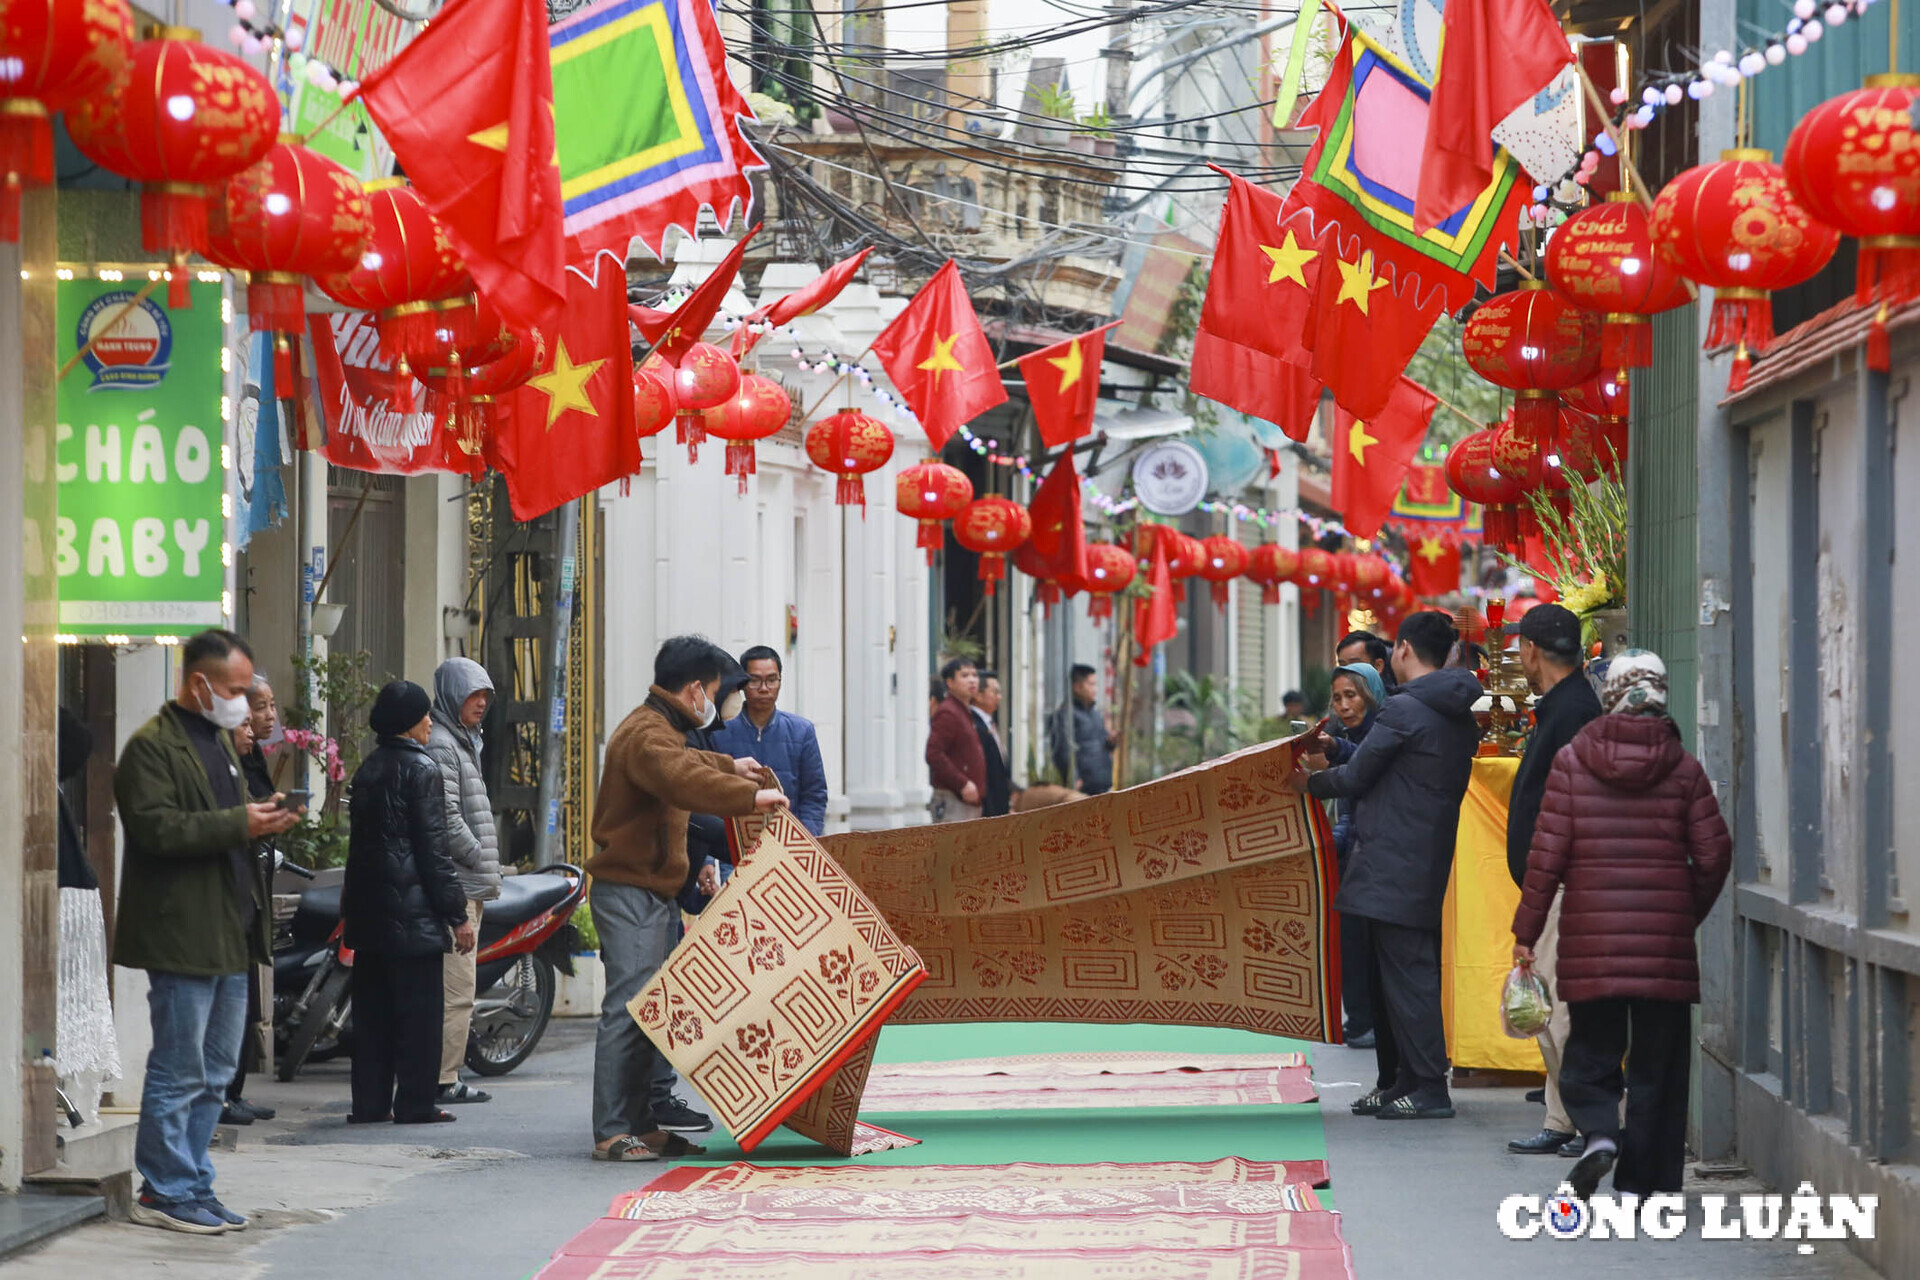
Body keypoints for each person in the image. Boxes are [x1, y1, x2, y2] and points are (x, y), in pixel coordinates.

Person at [1511, 650, 1731, 1200]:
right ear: (1659, 694)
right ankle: (1647, 1188)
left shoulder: (1572, 761)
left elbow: (1546, 857)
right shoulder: (1683, 766)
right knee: (1660, 1069)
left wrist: (1526, 933)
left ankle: (1602, 1135)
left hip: (1592, 945)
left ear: (1610, 695)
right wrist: (1684, 916)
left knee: (1589, 1055)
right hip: (1664, 951)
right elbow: (1713, 854)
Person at [114, 628, 301, 1233]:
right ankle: (163, 1190)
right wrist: (237, 824)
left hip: (230, 927)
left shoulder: (221, 742)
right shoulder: (151, 748)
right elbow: (156, 830)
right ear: (199, 683)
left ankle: (194, 1181)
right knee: (179, 1065)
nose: (246, 703)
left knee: (218, 1070)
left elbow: (226, 822)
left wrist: (263, 819)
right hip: (181, 930)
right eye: (236, 689)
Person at [588, 636, 784, 1162]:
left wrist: (731, 768)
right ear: (695, 689)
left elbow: (689, 763)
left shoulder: (662, 729)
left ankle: (645, 1124)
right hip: (629, 892)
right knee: (627, 1012)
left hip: (651, 892)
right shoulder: (647, 735)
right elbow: (678, 775)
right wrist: (749, 795)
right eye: (718, 696)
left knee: (651, 1011)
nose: (719, 708)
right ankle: (610, 1131)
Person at [1292, 611, 1481, 1120]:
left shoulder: (1405, 710)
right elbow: (1391, 768)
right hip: (1418, 854)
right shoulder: (1452, 709)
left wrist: (1307, 782)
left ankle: (1428, 1088)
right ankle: (1402, 1078)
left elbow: (1356, 777)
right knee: (1394, 978)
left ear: (1400, 650)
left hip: (1393, 860)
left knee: (1408, 978)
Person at [342, 681, 473, 1128]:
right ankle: (416, 1104)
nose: (430, 723)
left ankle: (370, 1105)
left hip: (370, 918)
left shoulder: (368, 770)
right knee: (419, 1017)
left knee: (373, 1018)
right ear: (407, 723)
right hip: (414, 919)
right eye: (424, 717)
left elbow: (357, 852)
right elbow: (434, 852)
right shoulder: (423, 771)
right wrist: (457, 914)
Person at [1500, 605, 1604, 1158]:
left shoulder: (1576, 709)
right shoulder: (1564, 705)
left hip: (1566, 881)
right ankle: (1561, 1116)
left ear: (1531, 651)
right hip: (1550, 878)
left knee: (1560, 1006)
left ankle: (1589, 1122)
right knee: (1546, 1001)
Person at [424, 657, 502, 1108]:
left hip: (469, 883)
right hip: (460, 884)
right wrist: (476, 855)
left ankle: (442, 1073)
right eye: (473, 694)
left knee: (457, 987)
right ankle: (442, 1078)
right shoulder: (442, 744)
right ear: (453, 694)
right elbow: (448, 816)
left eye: (485, 695)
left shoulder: (464, 740)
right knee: (457, 990)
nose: (481, 703)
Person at [222, 676, 279, 1126]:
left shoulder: (252, 758)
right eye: (253, 712)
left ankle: (233, 1090)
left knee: (243, 1000)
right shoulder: (221, 769)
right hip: (226, 901)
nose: (262, 720)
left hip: (249, 894)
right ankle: (221, 1094)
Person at [1320, 663, 1386, 1049]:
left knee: (1362, 941)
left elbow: (1362, 778)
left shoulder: (1382, 732)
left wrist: (1332, 843)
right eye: (1338, 698)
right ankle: (1360, 1019)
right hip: (1356, 849)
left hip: (1374, 856)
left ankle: (1366, 1020)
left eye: (1352, 696)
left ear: (1371, 694)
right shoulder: (1348, 736)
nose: (1345, 706)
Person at [713, 645, 829, 837]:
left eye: (772, 680)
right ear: (742, 683)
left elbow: (814, 795)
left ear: (780, 681)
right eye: (755, 681)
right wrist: (708, 858)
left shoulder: (802, 731)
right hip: (732, 845)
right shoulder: (720, 731)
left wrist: (805, 839)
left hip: (789, 843)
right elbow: (708, 795)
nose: (764, 689)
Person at [926, 657, 987, 823]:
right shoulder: (948, 712)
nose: (972, 680)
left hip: (968, 803)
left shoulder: (964, 712)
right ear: (950, 682)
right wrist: (962, 783)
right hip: (953, 801)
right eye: (965, 675)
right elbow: (933, 753)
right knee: (952, 848)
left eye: (974, 675)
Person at [1048, 663, 1115, 795]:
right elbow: (1062, 750)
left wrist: (1111, 742)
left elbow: (1102, 744)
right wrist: (1074, 777)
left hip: (1102, 785)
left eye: (1096, 684)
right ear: (1077, 687)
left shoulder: (1095, 714)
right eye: (1091, 684)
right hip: (1082, 788)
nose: (1095, 689)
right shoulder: (1065, 715)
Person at [972, 669, 1015, 818]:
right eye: (995, 692)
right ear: (978, 694)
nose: (999, 697)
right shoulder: (974, 724)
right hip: (987, 808)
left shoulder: (989, 723)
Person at [1336, 630, 1397, 695]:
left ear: (1378, 666)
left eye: (1355, 666)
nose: (1347, 673)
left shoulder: (1393, 703)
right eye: (1342, 666)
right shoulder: (1337, 701)